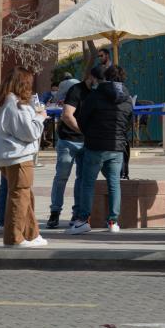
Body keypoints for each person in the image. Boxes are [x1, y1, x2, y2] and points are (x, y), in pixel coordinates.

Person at [71, 65, 133, 236]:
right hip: (117, 146)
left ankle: (83, 220)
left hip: (95, 145)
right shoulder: (127, 99)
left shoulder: (95, 96)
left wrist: (89, 133)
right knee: (114, 183)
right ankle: (113, 221)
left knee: (88, 183)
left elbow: (82, 119)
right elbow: (128, 123)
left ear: (105, 77)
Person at [0, 67, 48, 247]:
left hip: (8, 155)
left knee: (24, 194)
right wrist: (40, 118)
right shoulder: (14, 103)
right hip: (18, 155)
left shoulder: (4, 101)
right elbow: (29, 132)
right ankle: (14, 237)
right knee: (19, 195)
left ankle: (32, 233)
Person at [49, 68, 96, 230]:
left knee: (82, 179)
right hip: (68, 139)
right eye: (96, 79)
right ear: (89, 76)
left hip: (87, 142)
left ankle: (77, 213)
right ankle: (55, 212)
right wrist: (83, 131)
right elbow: (67, 115)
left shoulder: (99, 92)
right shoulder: (76, 90)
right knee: (62, 176)